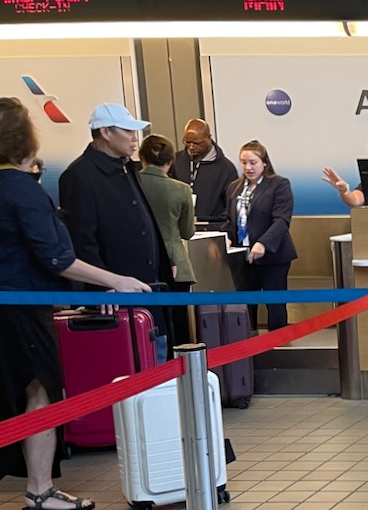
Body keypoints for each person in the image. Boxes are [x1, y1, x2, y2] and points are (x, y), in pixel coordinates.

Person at [0, 98, 152, 510]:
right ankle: (40, 490)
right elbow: (57, 256)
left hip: (10, 305)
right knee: (39, 392)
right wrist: (113, 281)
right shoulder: (22, 190)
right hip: (24, 308)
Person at [57, 104, 171, 291]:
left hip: (148, 285)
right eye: (127, 131)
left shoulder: (128, 168)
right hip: (115, 295)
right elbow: (82, 240)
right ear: (105, 132)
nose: (135, 138)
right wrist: (104, 285)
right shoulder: (79, 175)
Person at [224, 141, 297, 332]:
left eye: (253, 162)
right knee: (246, 304)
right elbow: (229, 219)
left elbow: (281, 220)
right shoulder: (234, 188)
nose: (248, 167)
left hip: (274, 256)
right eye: (243, 162)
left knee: (275, 304)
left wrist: (263, 243)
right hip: (243, 256)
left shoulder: (279, 185)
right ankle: (249, 343)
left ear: (264, 162)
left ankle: (277, 344)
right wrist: (228, 237)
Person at [138, 134, 197, 348]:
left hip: (139, 265)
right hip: (177, 265)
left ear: (141, 158)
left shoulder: (130, 185)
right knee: (178, 325)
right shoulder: (181, 189)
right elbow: (187, 232)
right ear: (170, 161)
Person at [170, 118, 239, 229]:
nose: (191, 147)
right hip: (179, 228)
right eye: (188, 142)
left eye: (197, 143)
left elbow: (231, 206)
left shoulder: (226, 168)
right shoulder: (175, 161)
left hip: (212, 229)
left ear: (209, 139)